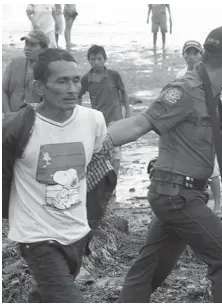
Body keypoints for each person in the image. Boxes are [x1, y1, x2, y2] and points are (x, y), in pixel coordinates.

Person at [107, 25, 222, 302]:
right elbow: (140, 123)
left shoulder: (211, 93)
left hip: (181, 195)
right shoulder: (185, 90)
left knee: (148, 270)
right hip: (177, 197)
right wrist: (93, 143)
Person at [2, 48, 115, 303]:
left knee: (45, 297)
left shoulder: (93, 120)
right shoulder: (16, 127)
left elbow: (97, 164)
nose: (72, 89)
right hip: (37, 237)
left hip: (77, 232)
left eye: (76, 80)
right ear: (39, 87)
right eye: (62, 81)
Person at [176, 40, 222, 216]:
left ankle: (218, 205)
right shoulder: (180, 76)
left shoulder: (207, 75)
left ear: (201, 55)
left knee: (213, 168)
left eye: (195, 53)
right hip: (186, 124)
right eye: (188, 53)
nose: (191, 56)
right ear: (184, 55)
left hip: (205, 122)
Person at [78, 45, 130, 183]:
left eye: (99, 59)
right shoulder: (86, 79)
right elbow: (79, 95)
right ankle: (102, 181)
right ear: (88, 60)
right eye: (93, 59)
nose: (96, 62)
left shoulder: (113, 75)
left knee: (116, 152)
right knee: (100, 152)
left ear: (105, 59)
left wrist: (127, 113)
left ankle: (113, 183)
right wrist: (78, 113)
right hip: (98, 121)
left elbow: (123, 92)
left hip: (115, 119)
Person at [2, 30, 49, 115]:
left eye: (32, 45)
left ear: (44, 49)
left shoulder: (50, 69)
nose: (27, 48)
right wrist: (7, 114)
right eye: (26, 44)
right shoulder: (13, 64)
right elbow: (2, 91)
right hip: (12, 117)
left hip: (38, 118)